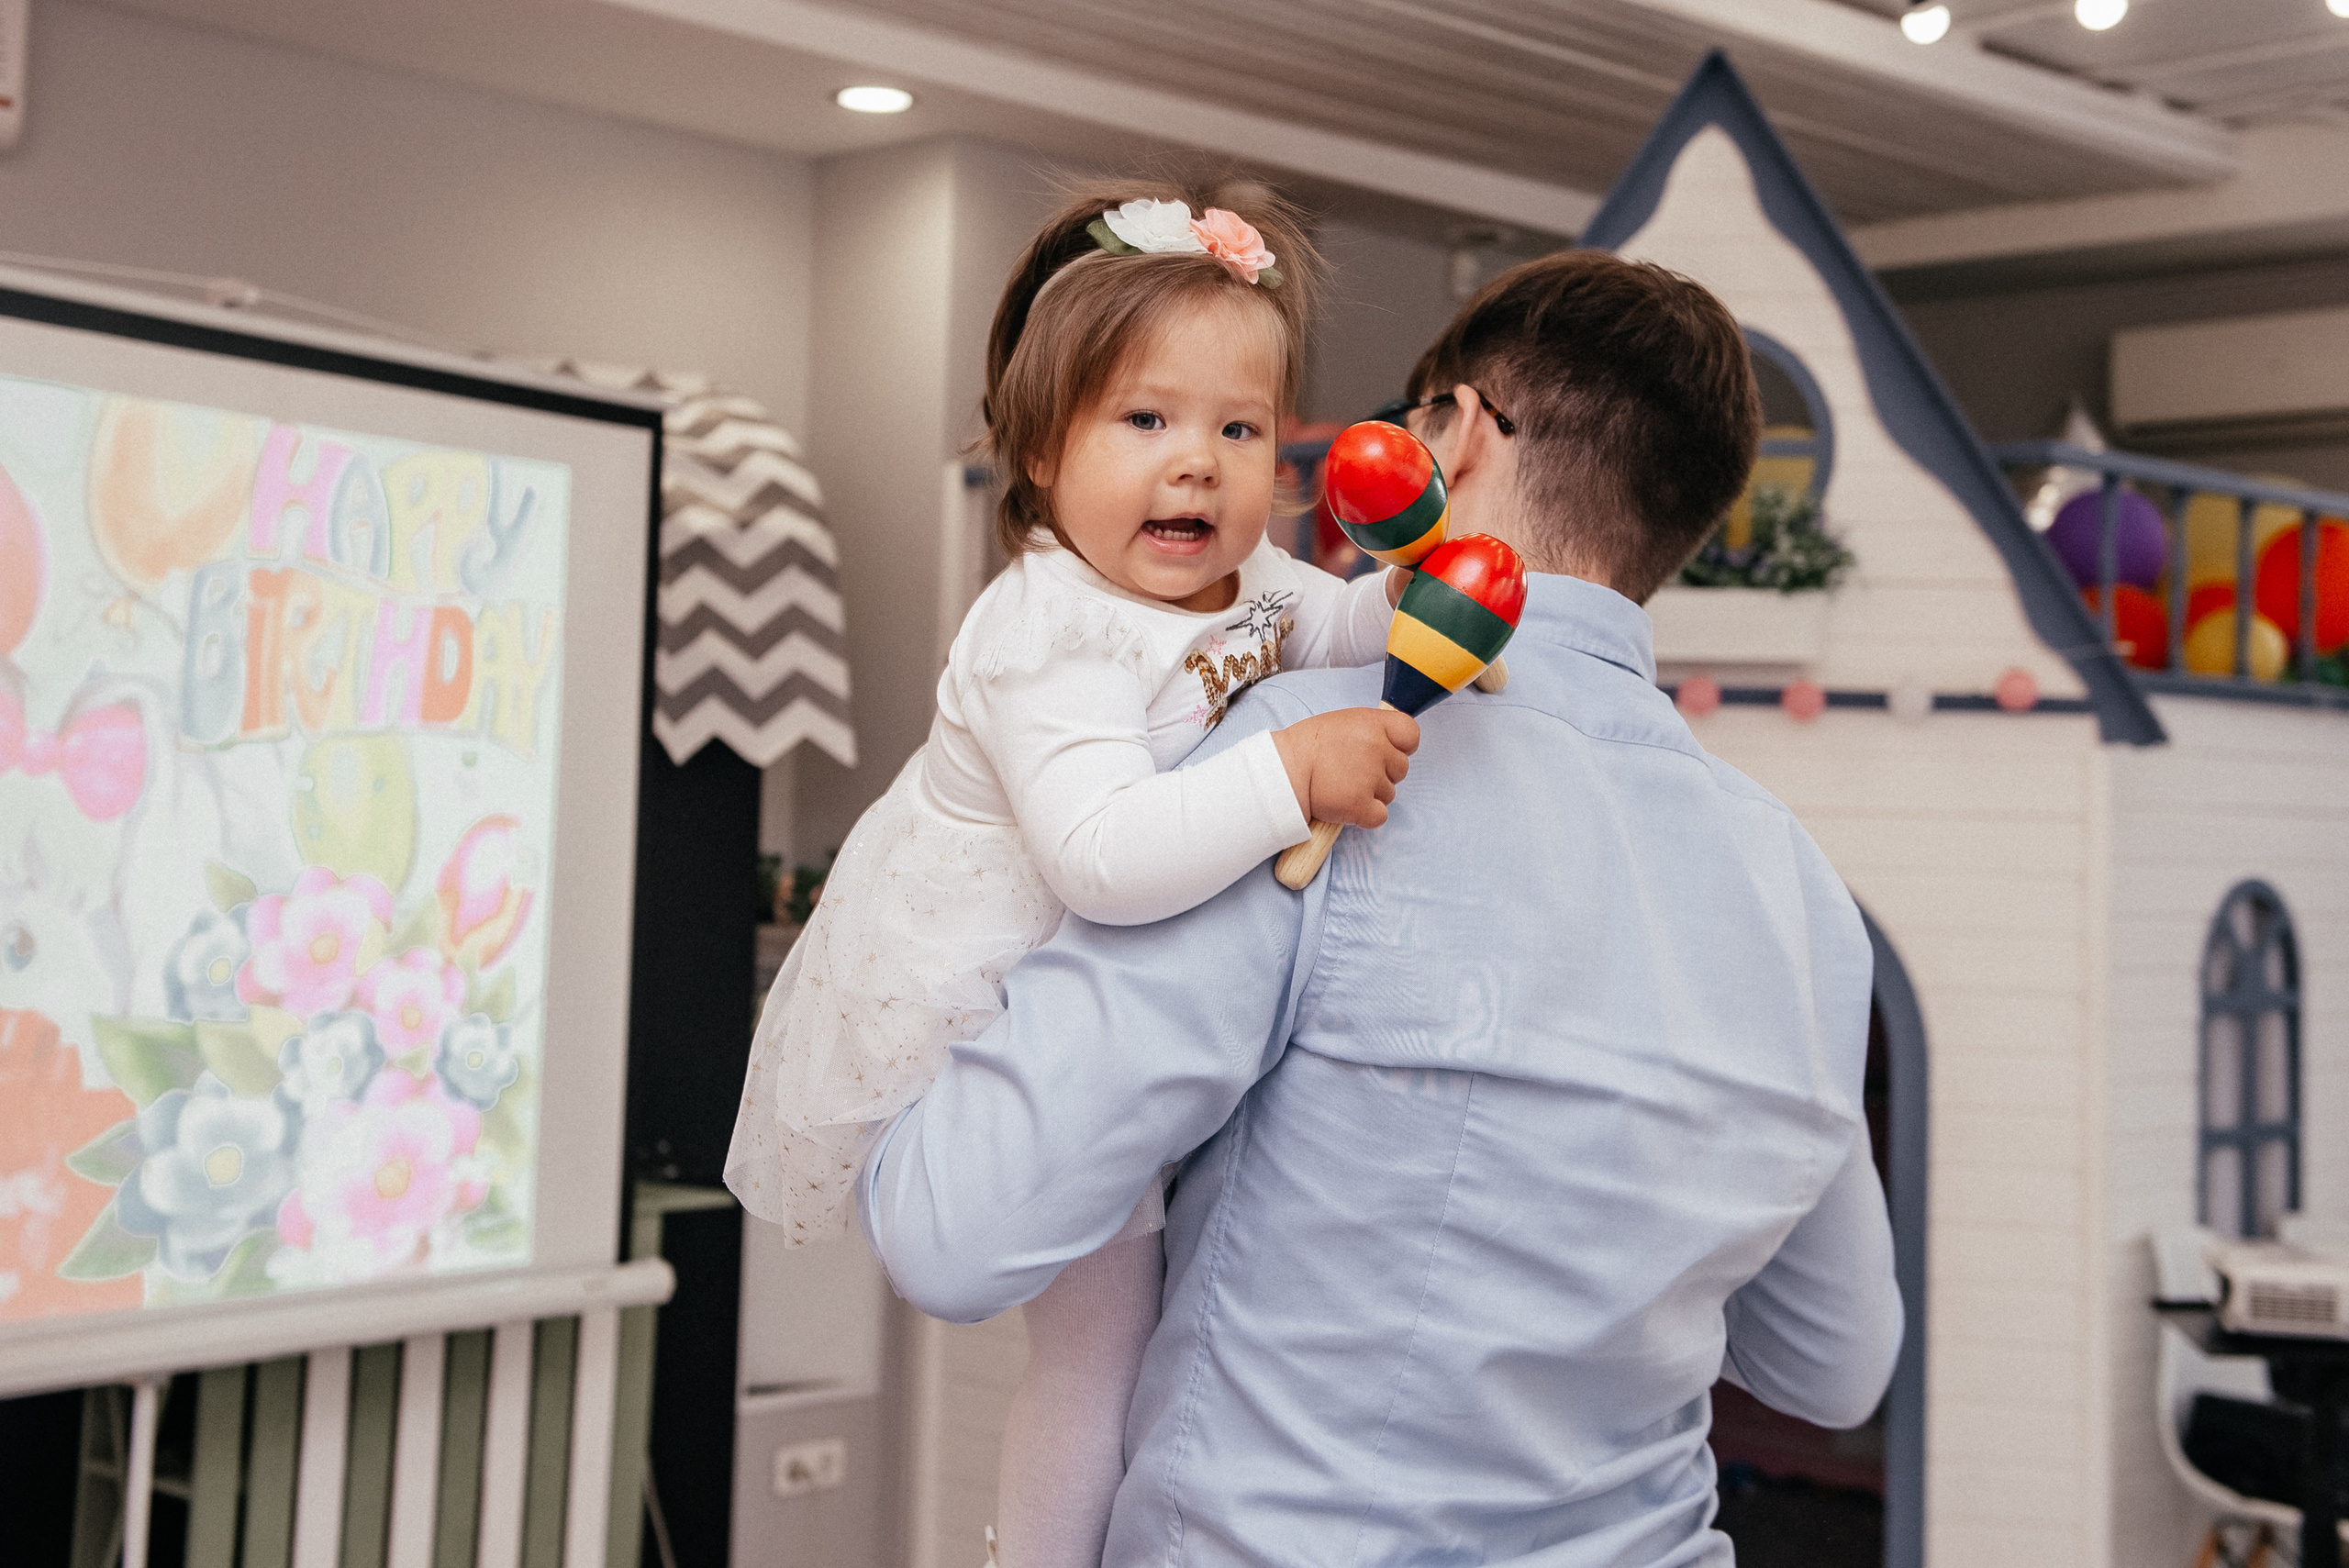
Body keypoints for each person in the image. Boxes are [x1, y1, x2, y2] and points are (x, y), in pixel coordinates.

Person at [860, 250, 1905, 1566]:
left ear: (1454, 437)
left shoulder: (1312, 760)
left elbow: (953, 1231)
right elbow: (1833, 1361)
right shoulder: (1804, 894)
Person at [725, 180, 1420, 1568]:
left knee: (1118, 1338)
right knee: (1091, 1343)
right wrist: (1296, 773)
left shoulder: (1257, 581)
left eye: (1240, 431)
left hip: (1105, 990)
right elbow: (1102, 858)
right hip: (984, 993)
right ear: (1041, 451)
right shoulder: (1045, 629)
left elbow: (1345, 626)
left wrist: (1429, 584)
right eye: (1146, 420)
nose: (1199, 466)